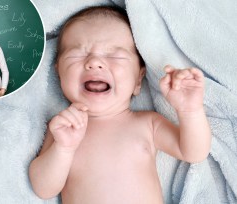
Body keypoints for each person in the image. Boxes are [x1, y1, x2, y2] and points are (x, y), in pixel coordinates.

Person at [29, 6, 211, 204]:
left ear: (138, 80)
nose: (95, 62)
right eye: (78, 54)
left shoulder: (148, 124)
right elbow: (44, 189)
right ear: (59, 74)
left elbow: (193, 152)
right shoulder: (62, 130)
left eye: (114, 55)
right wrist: (63, 149)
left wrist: (190, 111)